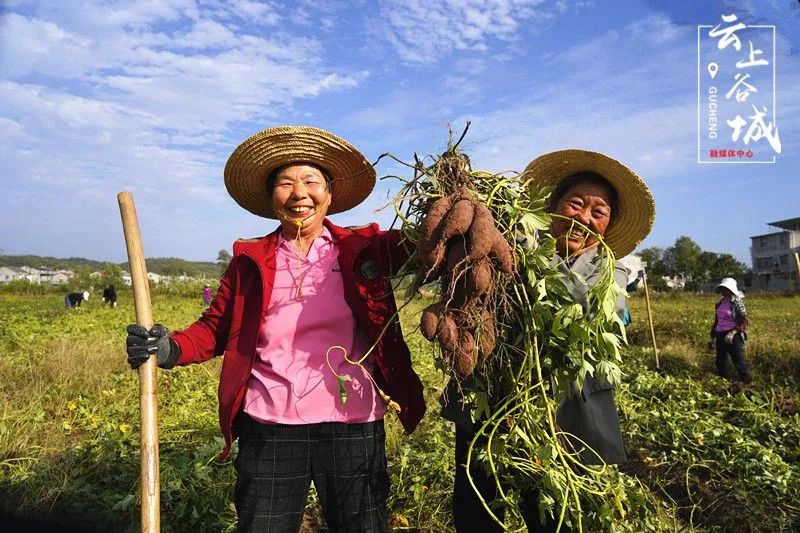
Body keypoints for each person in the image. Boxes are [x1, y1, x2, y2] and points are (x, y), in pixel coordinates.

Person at [125, 126, 478, 532]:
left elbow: (432, 244)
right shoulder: (250, 260)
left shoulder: (366, 248)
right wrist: (168, 348)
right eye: (285, 183)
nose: (299, 194)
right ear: (271, 196)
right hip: (270, 423)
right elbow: (213, 328)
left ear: (329, 194)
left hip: (352, 423)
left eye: (311, 181)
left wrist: (457, 201)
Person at [443, 149, 655, 532]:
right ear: (552, 208)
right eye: (575, 204)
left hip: (566, 412)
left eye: (598, 212)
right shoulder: (511, 249)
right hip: (492, 398)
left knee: (553, 515)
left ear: (609, 225)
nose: (584, 218)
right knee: (477, 505)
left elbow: (576, 307)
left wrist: (525, 254)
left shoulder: (612, 272)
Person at [707, 277, 751, 384]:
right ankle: (723, 382)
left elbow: (744, 322)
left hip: (733, 335)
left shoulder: (737, 303)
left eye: (726, 289)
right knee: (720, 361)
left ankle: (746, 382)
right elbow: (717, 321)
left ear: (731, 290)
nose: (723, 291)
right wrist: (712, 337)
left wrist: (733, 332)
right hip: (720, 334)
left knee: (738, 360)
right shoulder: (719, 304)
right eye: (722, 289)